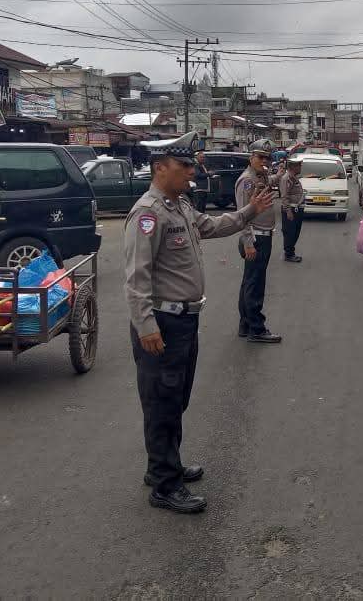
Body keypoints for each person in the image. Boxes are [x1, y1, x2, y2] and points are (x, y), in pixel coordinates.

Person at [124, 131, 275, 514]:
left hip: (183, 321)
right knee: (161, 401)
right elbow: (136, 278)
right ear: (160, 168)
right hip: (162, 322)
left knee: (176, 398)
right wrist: (146, 326)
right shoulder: (148, 214)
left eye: (192, 165)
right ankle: (165, 485)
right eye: (184, 165)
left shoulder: (180, 206)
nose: (192, 171)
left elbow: (213, 226)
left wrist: (249, 212)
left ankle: (164, 465)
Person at [236, 139, 282, 343]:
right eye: (260, 157)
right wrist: (248, 243)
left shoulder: (260, 176)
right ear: (251, 157)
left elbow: (269, 180)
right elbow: (242, 215)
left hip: (262, 236)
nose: (264, 161)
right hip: (256, 237)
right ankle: (257, 328)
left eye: (267, 158)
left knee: (249, 282)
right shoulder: (247, 181)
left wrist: (278, 174)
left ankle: (246, 324)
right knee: (255, 285)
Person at [279, 155, 306, 263]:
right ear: (293, 167)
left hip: (297, 209)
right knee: (290, 233)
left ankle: (290, 252)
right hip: (291, 210)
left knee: (295, 233)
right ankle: (289, 254)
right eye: (299, 165)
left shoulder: (293, 177)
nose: (300, 167)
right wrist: (288, 211)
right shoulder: (286, 178)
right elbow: (284, 196)